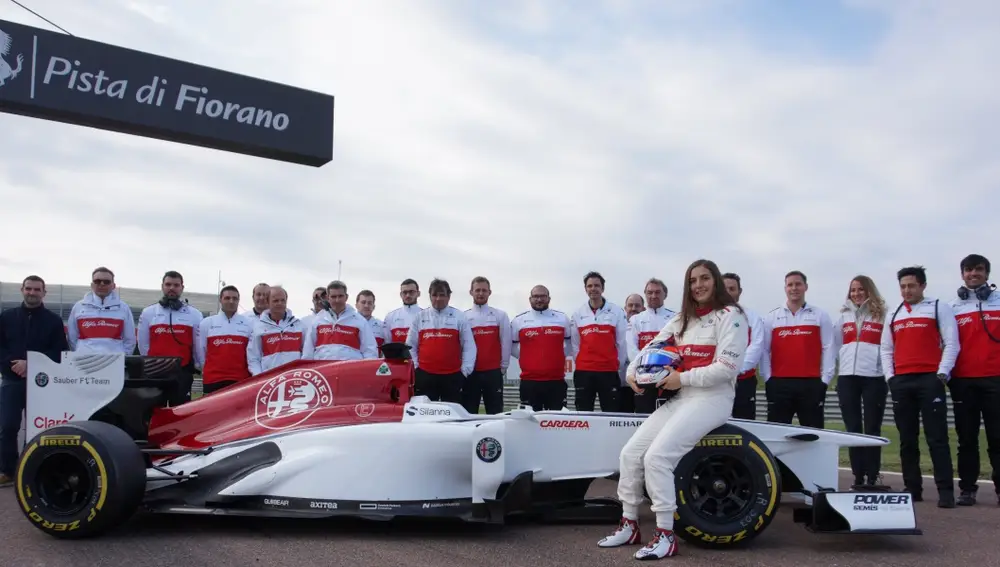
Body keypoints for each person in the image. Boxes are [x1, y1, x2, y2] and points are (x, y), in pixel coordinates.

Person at [597, 259, 749, 560]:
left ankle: (666, 535)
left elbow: (728, 368)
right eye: (693, 281)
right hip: (682, 397)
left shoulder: (732, 315)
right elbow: (651, 346)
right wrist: (634, 372)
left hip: (713, 398)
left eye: (705, 278)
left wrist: (682, 378)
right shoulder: (683, 318)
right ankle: (629, 524)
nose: (699, 285)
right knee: (630, 454)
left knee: (657, 458)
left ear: (715, 281)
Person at [880, 265, 959, 508]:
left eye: (911, 285)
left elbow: (952, 343)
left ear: (922, 285)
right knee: (907, 439)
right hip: (901, 381)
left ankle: (945, 491)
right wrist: (890, 377)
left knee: (937, 438)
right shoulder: (893, 313)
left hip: (930, 380)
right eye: (903, 286)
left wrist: (942, 373)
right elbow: (886, 349)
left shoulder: (938, 307)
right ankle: (912, 488)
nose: (907, 290)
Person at [0, 276, 69, 487]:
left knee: (37, 429)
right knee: (8, 427)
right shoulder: (6, 317)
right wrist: (13, 364)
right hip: (11, 380)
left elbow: (60, 352)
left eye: (37, 289)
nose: (32, 292)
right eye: (28, 288)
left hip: (41, 383)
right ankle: (7, 470)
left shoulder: (53, 321)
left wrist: (31, 363)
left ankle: (32, 470)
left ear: (44, 293)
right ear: (22, 290)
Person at [948, 253, 1000, 506]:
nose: (973, 274)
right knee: (966, 439)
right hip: (963, 381)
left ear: (987, 274)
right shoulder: (952, 307)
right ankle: (967, 489)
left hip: (995, 380)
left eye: (978, 269)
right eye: (968, 270)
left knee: (997, 437)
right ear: (962, 274)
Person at [759, 270, 835, 428]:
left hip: (811, 384)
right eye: (790, 285)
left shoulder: (820, 315)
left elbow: (829, 347)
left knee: (813, 434)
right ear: (785, 288)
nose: (794, 288)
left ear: (806, 287)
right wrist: (767, 377)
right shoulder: (771, 317)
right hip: (779, 384)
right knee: (777, 433)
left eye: (798, 284)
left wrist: (825, 380)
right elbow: (764, 350)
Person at [834, 275, 889, 488]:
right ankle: (858, 477)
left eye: (860, 290)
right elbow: (837, 346)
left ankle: (873, 476)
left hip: (874, 378)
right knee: (853, 429)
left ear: (869, 291)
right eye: (853, 290)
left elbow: (888, 348)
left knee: (872, 428)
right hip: (848, 378)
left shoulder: (882, 315)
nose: (856, 294)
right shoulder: (843, 317)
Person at [137, 270, 204, 405]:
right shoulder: (148, 313)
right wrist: (152, 363)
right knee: (154, 411)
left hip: (182, 372)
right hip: (155, 371)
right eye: (168, 284)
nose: (171, 288)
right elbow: (143, 344)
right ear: (162, 286)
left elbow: (198, 345)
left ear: (182, 288)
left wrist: (198, 365)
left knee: (180, 413)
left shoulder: (195, 314)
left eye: (176, 285)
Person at [406, 279, 477, 403]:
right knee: (425, 417)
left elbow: (469, 346)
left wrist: (464, 372)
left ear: (449, 296)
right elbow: (410, 346)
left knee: (452, 418)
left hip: (452, 376)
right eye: (434, 295)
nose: (438, 299)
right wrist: (416, 369)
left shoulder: (459, 317)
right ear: (429, 296)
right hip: (425, 376)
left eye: (442, 295)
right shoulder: (419, 317)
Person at [570, 271, 629, 412]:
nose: (593, 289)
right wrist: (582, 361)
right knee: (583, 413)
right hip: (584, 372)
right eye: (589, 286)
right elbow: (575, 344)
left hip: (608, 371)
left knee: (612, 412)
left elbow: (622, 342)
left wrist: (616, 364)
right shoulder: (578, 313)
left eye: (597, 285)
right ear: (585, 289)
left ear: (603, 288)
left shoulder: (617, 311)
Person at [511, 285, 573, 411]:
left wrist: (559, 355)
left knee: (557, 424)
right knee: (529, 425)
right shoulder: (519, 320)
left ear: (549, 298)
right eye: (536, 296)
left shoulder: (562, 318)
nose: (539, 300)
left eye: (543, 296)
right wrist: (527, 357)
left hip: (556, 381)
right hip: (529, 382)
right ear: (530, 299)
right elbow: (511, 346)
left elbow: (571, 343)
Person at [626, 278, 676, 415]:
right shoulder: (635, 320)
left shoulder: (675, 318)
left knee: (669, 418)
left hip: (667, 379)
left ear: (665, 294)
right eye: (650, 292)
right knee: (644, 418)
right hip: (643, 378)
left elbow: (680, 348)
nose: (653, 296)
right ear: (645, 294)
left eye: (657, 292)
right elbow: (631, 349)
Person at [463, 277, 511, 415]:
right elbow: (461, 346)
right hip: (471, 373)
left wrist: (503, 367)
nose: (480, 293)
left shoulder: (500, 315)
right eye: (477, 290)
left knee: (495, 413)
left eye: (484, 290)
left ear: (490, 292)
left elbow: (505, 342)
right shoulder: (464, 316)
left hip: (493, 373)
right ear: (471, 292)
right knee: (468, 412)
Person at [195, 285, 254, 394]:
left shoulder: (248, 324)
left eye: (235, 298)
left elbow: (251, 354)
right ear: (220, 300)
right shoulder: (206, 323)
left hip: (240, 380)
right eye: (227, 298)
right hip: (213, 379)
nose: (231, 301)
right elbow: (201, 351)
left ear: (238, 300)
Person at [722, 272, 764, 419]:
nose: (728, 293)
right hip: (715, 382)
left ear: (739, 292)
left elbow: (756, 346)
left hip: (743, 380)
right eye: (724, 289)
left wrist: (734, 369)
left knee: (745, 425)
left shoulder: (752, 317)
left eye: (732, 289)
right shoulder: (709, 316)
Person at [66, 266, 136, 355]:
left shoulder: (123, 308)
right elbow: (72, 338)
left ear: (113, 286)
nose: (102, 284)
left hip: (114, 363)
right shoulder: (79, 307)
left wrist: (122, 359)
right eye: (97, 281)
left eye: (106, 282)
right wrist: (80, 354)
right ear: (92, 285)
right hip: (84, 363)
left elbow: (130, 340)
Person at [301, 281, 378, 361]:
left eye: (340, 296)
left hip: (350, 370)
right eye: (333, 297)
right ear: (328, 298)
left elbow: (370, 351)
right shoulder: (317, 320)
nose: (337, 300)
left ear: (346, 297)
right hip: (323, 370)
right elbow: (308, 351)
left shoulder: (359, 321)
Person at [246, 286, 306, 375]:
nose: (280, 303)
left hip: (294, 378)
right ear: (267, 302)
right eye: (275, 301)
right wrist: (259, 377)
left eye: (283, 300)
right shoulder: (258, 327)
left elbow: (306, 353)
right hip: (270, 382)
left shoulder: (299, 325)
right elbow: (253, 358)